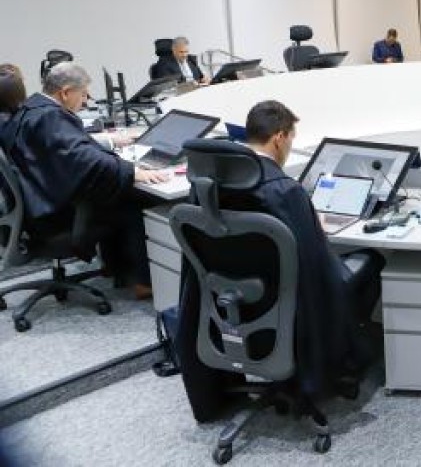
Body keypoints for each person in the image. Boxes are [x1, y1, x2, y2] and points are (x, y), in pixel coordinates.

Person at [175, 100, 385, 421]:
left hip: (231, 308)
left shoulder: (206, 187)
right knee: (370, 261)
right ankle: (336, 366)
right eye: (290, 139)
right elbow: (318, 267)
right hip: (292, 316)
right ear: (279, 138)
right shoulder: (283, 191)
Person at [0, 62, 168, 297]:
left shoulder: (34, 108)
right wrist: (133, 172)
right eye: (84, 94)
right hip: (57, 217)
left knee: (113, 188)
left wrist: (110, 149)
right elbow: (84, 160)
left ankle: (115, 268)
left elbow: (65, 149)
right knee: (135, 201)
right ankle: (143, 282)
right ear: (65, 92)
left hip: (37, 207)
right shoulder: (50, 117)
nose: (87, 100)